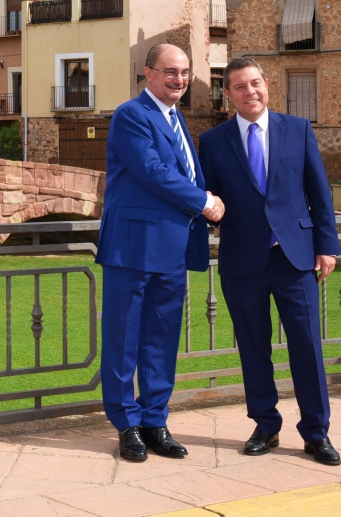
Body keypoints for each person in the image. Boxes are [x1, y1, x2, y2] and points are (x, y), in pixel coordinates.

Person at [198, 57, 341, 466]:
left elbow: (319, 191)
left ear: (266, 84)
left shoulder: (297, 129)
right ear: (228, 94)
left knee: (307, 346)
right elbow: (208, 199)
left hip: (295, 257)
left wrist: (327, 246)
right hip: (242, 260)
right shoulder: (213, 141)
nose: (251, 92)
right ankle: (265, 426)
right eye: (240, 86)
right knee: (253, 347)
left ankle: (316, 432)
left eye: (255, 83)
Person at [97, 44, 224, 462]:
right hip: (132, 246)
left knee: (162, 339)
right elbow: (152, 171)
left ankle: (155, 420)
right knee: (123, 338)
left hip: (171, 247)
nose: (179, 79)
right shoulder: (131, 115)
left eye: (185, 72)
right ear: (148, 73)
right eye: (170, 71)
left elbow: (182, 170)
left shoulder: (175, 118)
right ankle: (126, 423)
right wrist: (204, 202)